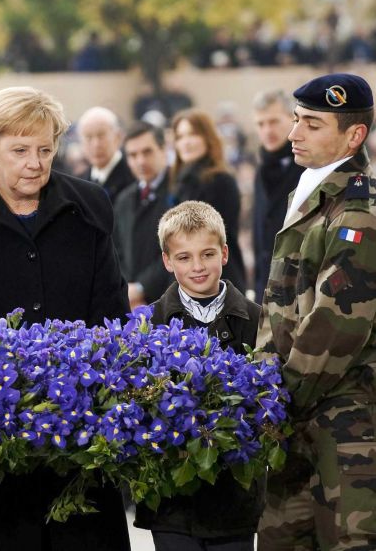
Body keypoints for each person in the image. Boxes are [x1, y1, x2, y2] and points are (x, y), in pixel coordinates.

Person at [0, 86, 131, 551]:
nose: (35, 163)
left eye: (46, 149)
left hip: (79, 424)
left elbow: (111, 307)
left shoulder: (91, 204)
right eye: (20, 150)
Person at [256, 73, 376, 550]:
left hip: (343, 429)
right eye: (295, 119)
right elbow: (277, 305)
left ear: (354, 136)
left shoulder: (358, 213)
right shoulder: (311, 195)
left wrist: (277, 401)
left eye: (312, 124)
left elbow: (336, 325)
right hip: (296, 418)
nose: (293, 134)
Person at [134, 200, 263, 551]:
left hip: (234, 500)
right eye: (184, 257)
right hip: (172, 501)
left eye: (207, 254)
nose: (198, 267)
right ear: (167, 261)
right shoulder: (148, 324)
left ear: (224, 253)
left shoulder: (257, 320)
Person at [169, 109, 246, 293]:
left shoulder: (219, 181)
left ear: (207, 138)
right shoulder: (179, 181)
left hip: (218, 279)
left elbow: (215, 237)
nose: (185, 142)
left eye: (192, 134)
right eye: (180, 137)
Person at [112, 121, 173, 309]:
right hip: (132, 302)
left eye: (147, 152)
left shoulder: (180, 192)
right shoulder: (124, 199)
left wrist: (141, 287)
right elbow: (117, 251)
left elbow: (177, 251)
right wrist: (128, 288)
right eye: (133, 155)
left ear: (163, 150)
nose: (140, 161)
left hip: (169, 299)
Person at [251, 90, 304, 302]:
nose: (267, 130)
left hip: (299, 290)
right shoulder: (261, 170)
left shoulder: (307, 168)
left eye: (273, 121)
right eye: (260, 124)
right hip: (265, 289)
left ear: (292, 120)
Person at [77, 106, 134, 200]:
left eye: (101, 136)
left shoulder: (133, 175)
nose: (96, 144)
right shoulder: (79, 182)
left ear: (118, 137)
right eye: (88, 137)